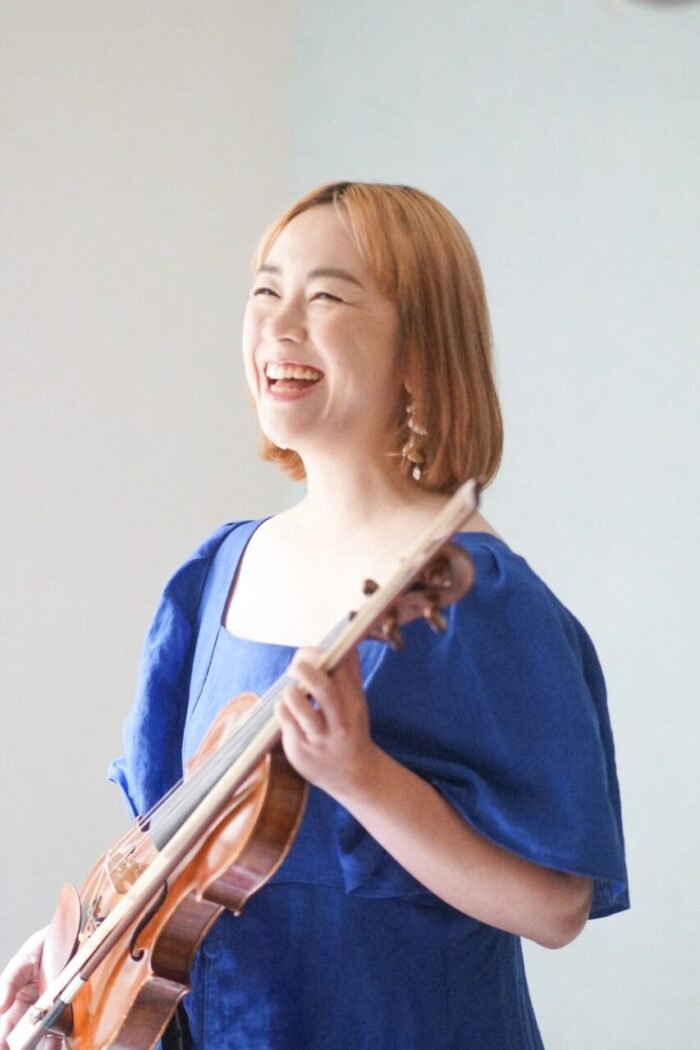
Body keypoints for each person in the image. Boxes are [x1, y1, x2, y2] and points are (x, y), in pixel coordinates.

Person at [0, 181, 628, 1049]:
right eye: (266, 290)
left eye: (326, 296)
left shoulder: (471, 589)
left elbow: (555, 907)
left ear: (420, 351)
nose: (280, 323)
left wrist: (360, 776)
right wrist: (78, 960)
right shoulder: (217, 572)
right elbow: (174, 853)